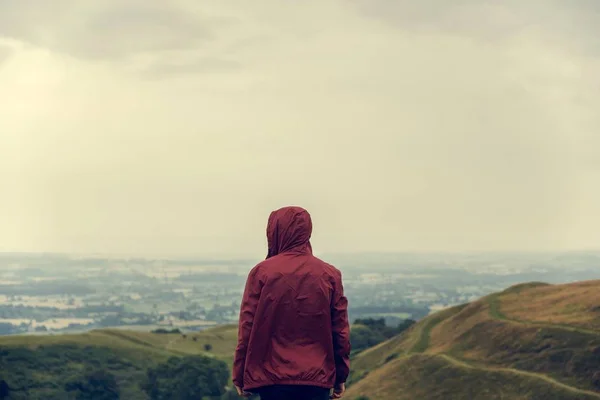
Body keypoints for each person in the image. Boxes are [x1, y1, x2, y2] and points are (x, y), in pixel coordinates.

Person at [233, 206, 351, 400]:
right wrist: (340, 376)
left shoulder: (261, 273)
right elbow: (340, 332)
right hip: (317, 379)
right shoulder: (330, 275)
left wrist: (240, 374)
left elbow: (247, 328)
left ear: (274, 231)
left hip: (271, 380)